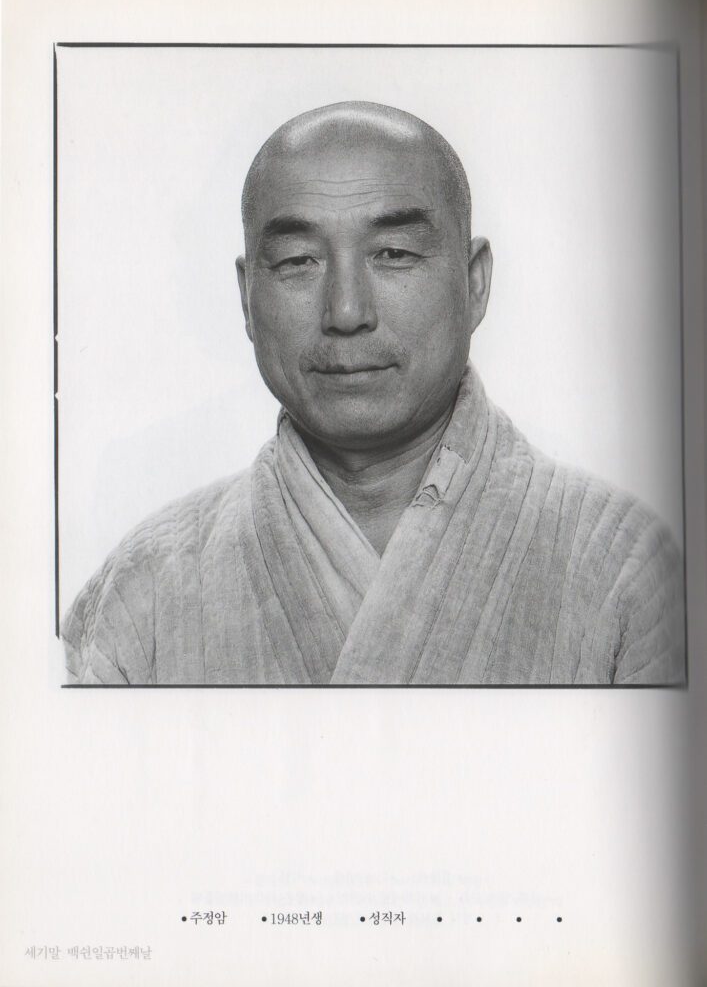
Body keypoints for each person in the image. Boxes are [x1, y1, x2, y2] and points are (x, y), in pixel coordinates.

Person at [61, 101, 685, 685]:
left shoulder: (627, 570)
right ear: (247, 298)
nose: (346, 311)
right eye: (298, 261)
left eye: (393, 253)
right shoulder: (141, 592)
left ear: (474, 284)